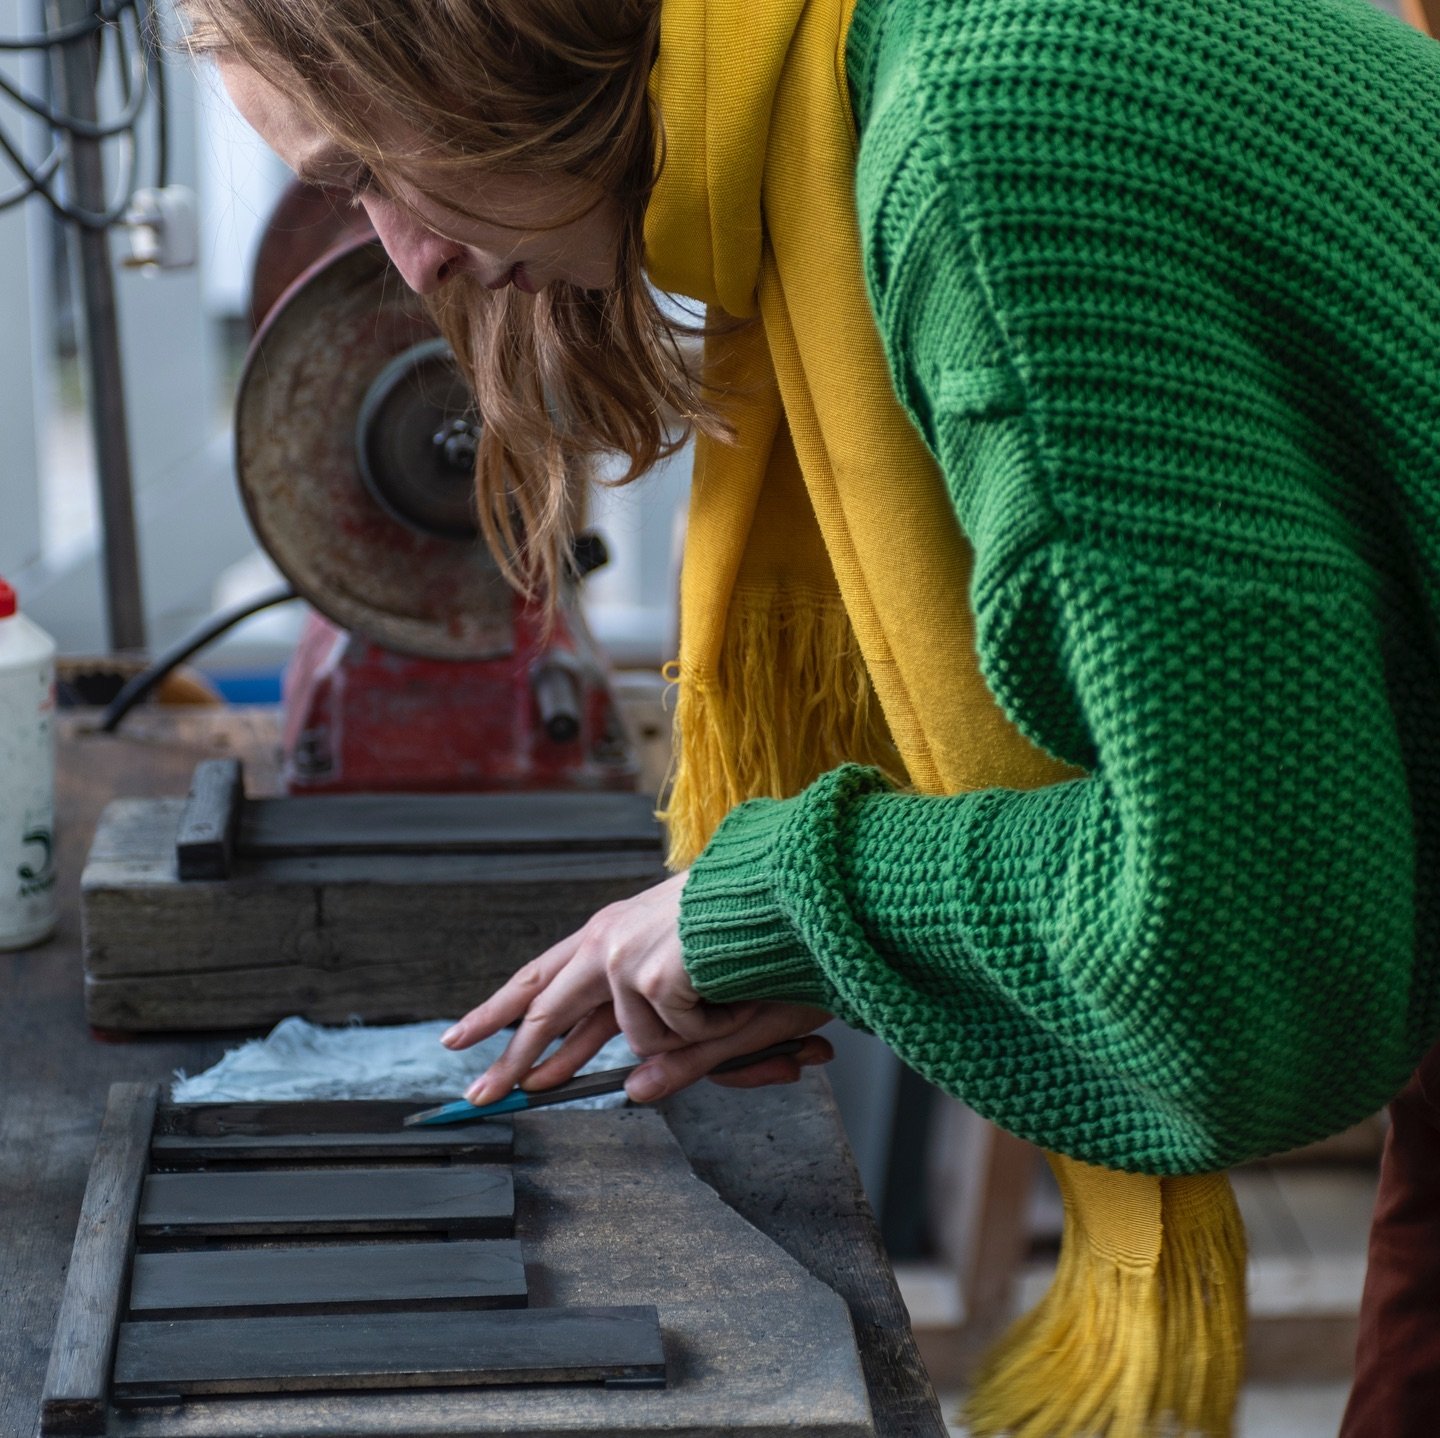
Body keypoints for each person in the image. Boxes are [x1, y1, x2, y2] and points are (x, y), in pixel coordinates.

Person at [191, 0, 1440, 1432]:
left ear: (477, 45)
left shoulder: (979, 137)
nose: (409, 266)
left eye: (364, 172)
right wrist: (872, 947)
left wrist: (794, 889)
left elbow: (1236, 960)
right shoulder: (870, 58)